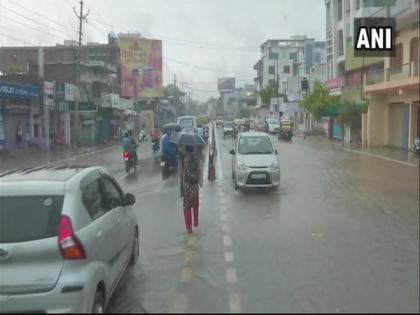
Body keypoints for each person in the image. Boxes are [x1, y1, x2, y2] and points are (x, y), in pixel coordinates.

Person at [180, 146, 202, 234]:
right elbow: (200, 171)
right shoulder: (196, 158)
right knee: (195, 204)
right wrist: (200, 183)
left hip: (186, 187)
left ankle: (189, 228)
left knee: (187, 207)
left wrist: (181, 189)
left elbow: (181, 175)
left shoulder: (183, 159)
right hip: (195, 186)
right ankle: (196, 222)